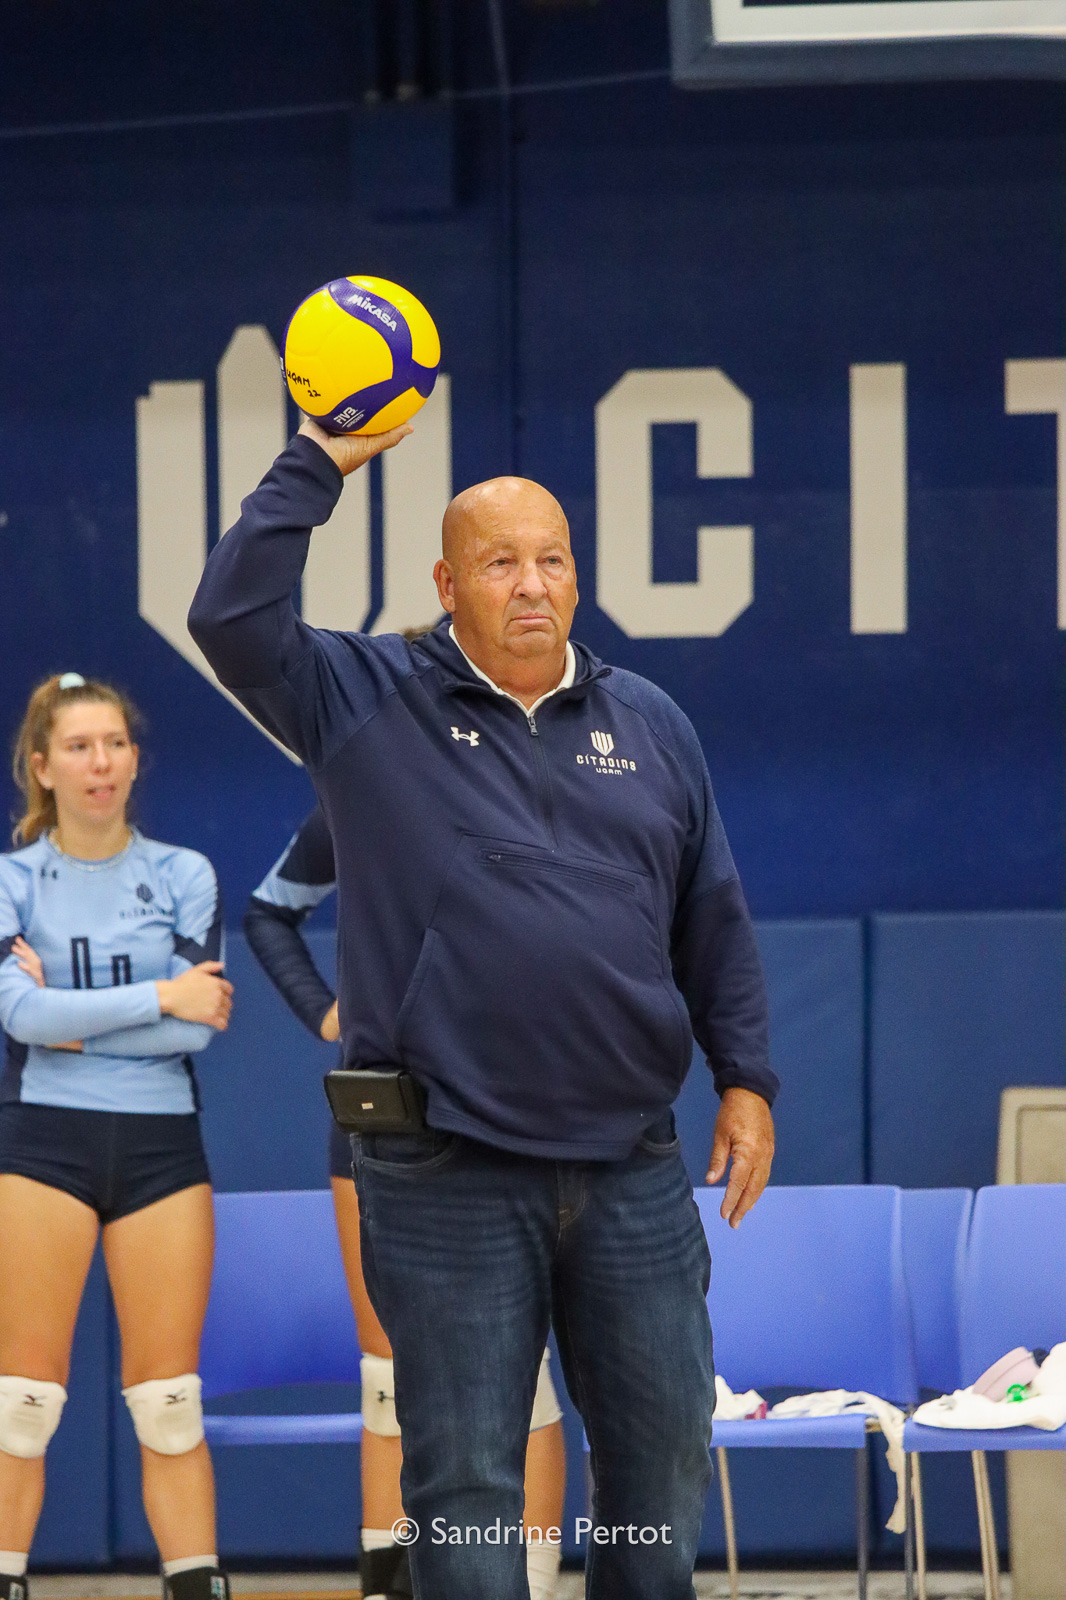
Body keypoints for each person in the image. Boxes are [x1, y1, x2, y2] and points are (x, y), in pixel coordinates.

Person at [189, 418, 778, 1600]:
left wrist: (749, 1080)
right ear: (448, 584)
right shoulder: (364, 698)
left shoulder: (653, 723)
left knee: (659, 1478)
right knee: (465, 1492)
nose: (532, 584)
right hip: (443, 1171)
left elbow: (710, 915)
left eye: (552, 558)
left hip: (630, 1168)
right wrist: (319, 459)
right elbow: (228, 622)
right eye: (501, 561)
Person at [245, 796, 567, 1600]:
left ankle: (526, 1583)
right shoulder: (354, 796)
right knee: (390, 1376)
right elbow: (268, 915)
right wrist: (323, 1008)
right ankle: (390, 1585)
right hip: (383, 1115)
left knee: (520, 1378)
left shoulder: (525, 787)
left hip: (511, 1112)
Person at [0, 674, 233, 1600]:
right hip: (42, 1145)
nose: (101, 764)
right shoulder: (12, 879)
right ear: (41, 766)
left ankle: (196, 1582)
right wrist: (153, 997)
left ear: (135, 760)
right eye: (80, 747)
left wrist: (68, 1014)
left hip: (160, 1148)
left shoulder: (183, 874)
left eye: (116, 745)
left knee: (170, 1405)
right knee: (22, 1404)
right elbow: (17, 1019)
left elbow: (198, 1022)